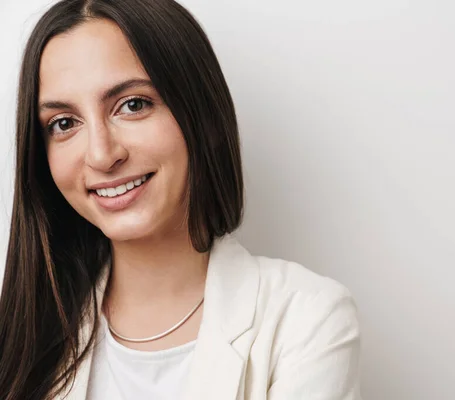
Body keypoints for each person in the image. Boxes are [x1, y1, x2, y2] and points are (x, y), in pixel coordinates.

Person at [0, 0, 362, 399]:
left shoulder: (307, 317)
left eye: (133, 105)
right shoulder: (23, 334)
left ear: (199, 113)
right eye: (64, 123)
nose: (102, 155)